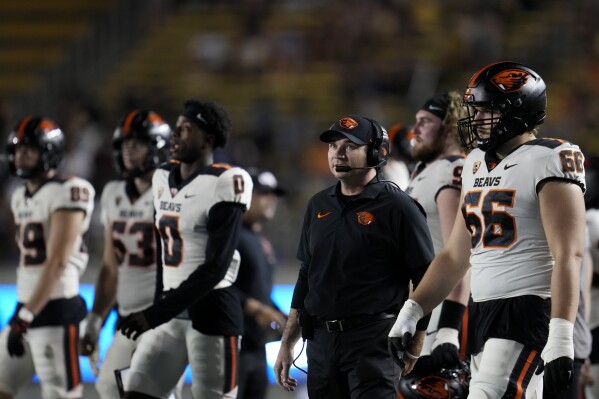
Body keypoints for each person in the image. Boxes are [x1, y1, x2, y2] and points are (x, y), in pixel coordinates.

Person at [389, 61, 586, 397]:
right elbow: (454, 255)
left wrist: (562, 332)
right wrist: (414, 308)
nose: (477, 119)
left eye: (487, 110)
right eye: (475, 110)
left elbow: (569, 253)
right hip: (483, 310)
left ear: (518, 110)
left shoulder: (550, 157)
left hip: (527, 308)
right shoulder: (475, 163)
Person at [274, 115, 435, 397]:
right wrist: (288, 342)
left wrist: (418, 338)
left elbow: (425, 276)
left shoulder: (399, 206)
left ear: (376, 152)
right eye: (333, 146)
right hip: (321, 342)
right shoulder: (318, 204)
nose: (338, 153)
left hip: (374, 341)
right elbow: (306, 275)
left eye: (350, 145)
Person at [115, 99, 253, 399]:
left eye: (186, 129)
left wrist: (153, 313)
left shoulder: (227, 180)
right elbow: (164, 252)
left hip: (213, 314)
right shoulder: (162, 176)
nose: (175, 135)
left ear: (208, 139)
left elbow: (216, 267)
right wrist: (157, 308)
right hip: (170, 315)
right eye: (176, 128)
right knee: (136, 392)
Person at [80, 110, 175, 399]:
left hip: (164, 315)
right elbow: (111, 266)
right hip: (128, 317)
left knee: (153, 391)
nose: (129, 150)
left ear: (157, 146)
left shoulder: (173, 189)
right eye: (125, 144)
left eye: (138, 144)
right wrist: (95, 320)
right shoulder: (112, 192)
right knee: (108, 386)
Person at [0, 116, 95, 399]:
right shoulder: (18, 196)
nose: (21, 155)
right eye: (18, 149)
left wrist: (26, 315)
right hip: (25, 306)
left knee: (60, 395)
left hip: (55, 309)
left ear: (49, 152)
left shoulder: (69, 190)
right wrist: (24, 314)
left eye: (30, 149)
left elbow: (58, 261)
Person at [403, 92, 471, 375]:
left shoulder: (452, 169)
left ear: (450, 129)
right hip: (420, 311)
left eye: (425, 121)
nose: (415, 129)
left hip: (441, 313)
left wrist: (448, 328)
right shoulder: (426, 170)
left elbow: (457, 253)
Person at [235, 167, 288, 399]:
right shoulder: (231, 235)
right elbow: (216, 285)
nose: (271, 199)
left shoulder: (260, 240)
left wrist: (284, 317)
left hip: (256, 347)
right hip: (232, 345)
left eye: (273, 194)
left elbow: (260, 292)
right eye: (263, 193)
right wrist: (257, 309)